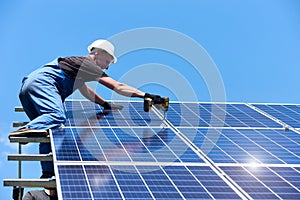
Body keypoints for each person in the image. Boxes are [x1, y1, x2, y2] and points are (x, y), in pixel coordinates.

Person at [8, 39, 163, 178]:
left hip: (28, 89)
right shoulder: (87, 64)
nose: (107, 67)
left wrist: (105, 105)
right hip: (43, 85)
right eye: (108, 61)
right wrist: (145, 95)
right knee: (57, 116)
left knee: (51, 130)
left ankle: (47, 171)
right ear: (99, 53)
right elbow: (118, 86)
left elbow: (85, 90)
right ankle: (26, 129)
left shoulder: (79, 68)